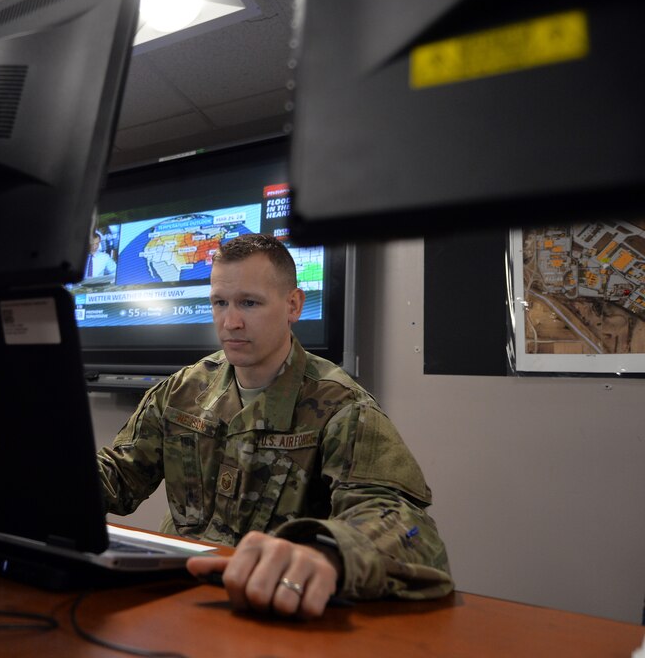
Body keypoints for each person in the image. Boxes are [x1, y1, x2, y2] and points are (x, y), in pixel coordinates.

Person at [96, 234, 452, 618]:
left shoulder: (342, 407)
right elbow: (117, 476)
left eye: (249, 303)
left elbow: (406, 527)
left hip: (273, 609)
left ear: (293, 305)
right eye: (220, 303)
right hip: (178, 600)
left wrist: (330, 553)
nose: (230, 322)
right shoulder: (182, 391)